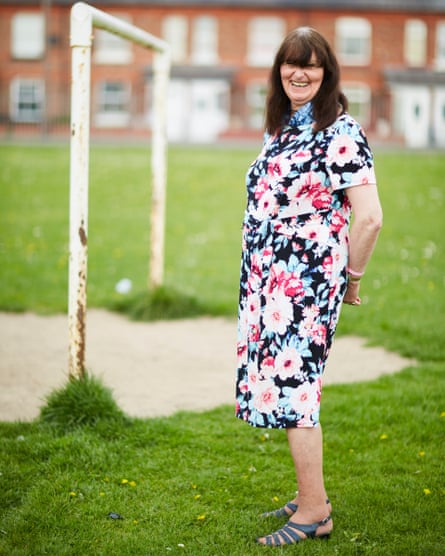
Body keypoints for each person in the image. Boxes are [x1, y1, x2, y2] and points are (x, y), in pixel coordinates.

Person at [235, 27, 383, 546]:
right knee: (290, 389)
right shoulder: (283, 127)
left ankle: (315, 512)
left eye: (312, 65)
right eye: (291, 64)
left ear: (327, 73)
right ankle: (308, 493)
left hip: (304, 284)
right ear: (279, 70)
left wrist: (352, 279)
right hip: (271, 283)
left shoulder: (340, 132)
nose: (300, 73)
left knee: (296, 394)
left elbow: (369, 219)